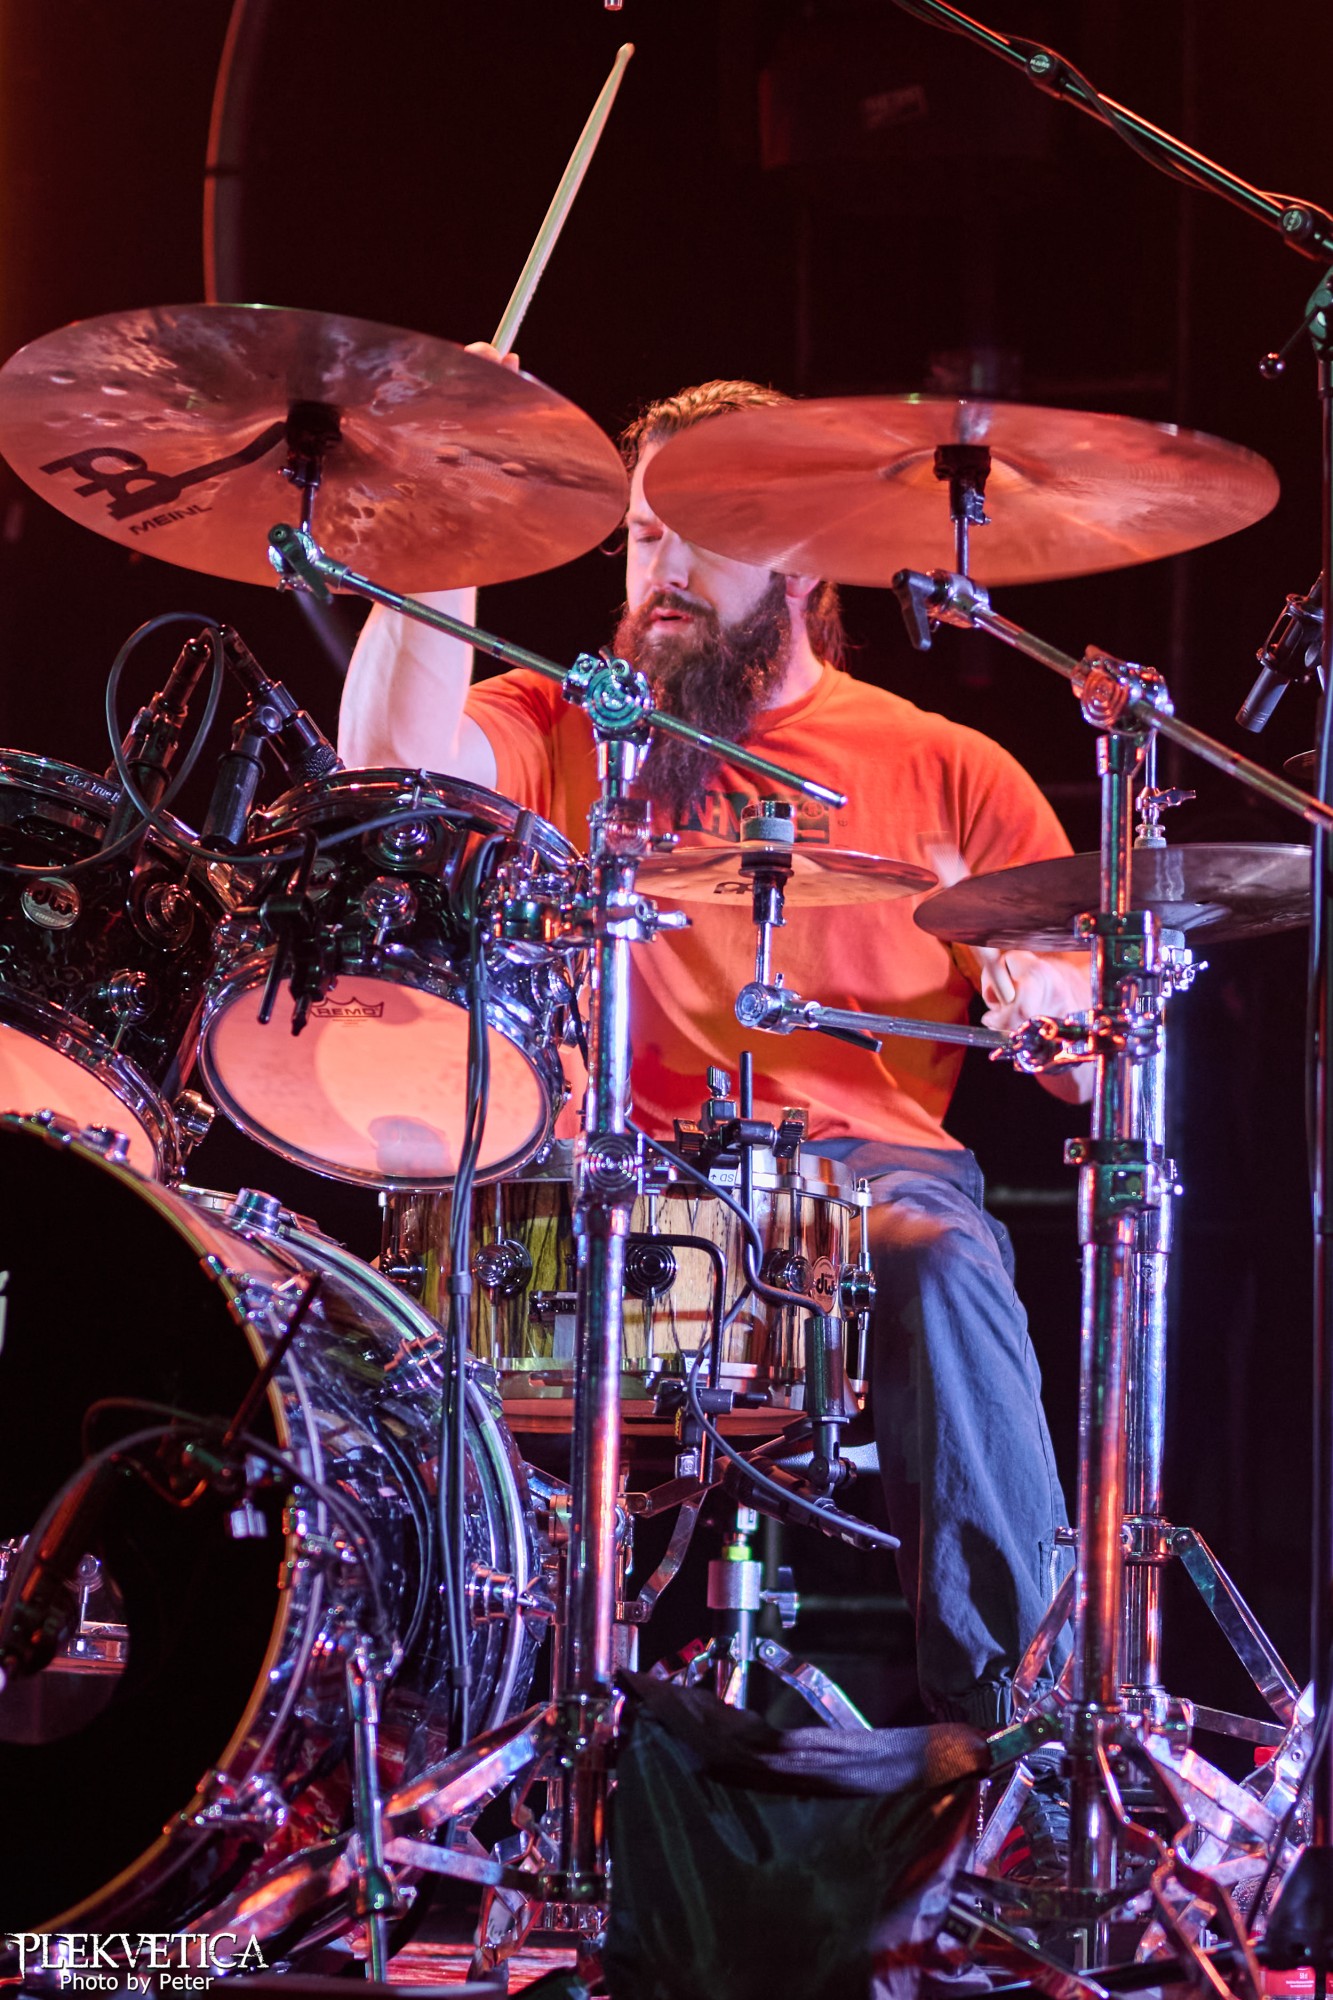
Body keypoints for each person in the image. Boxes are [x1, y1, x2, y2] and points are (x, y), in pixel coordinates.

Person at [338, 367, 1091, 1739]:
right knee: (385, 1293)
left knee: (939, 1257)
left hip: (858, 1198)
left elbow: (1084, 1057)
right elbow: (391, 771)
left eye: (698, 533)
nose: (660, 570)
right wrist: (447, 505)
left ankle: (1020, 1741)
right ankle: (412, 1735)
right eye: (642, 535)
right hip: (599, 1186)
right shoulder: (562, 722)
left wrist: (1049, 995)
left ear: (801, 560)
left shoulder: (949, 770)